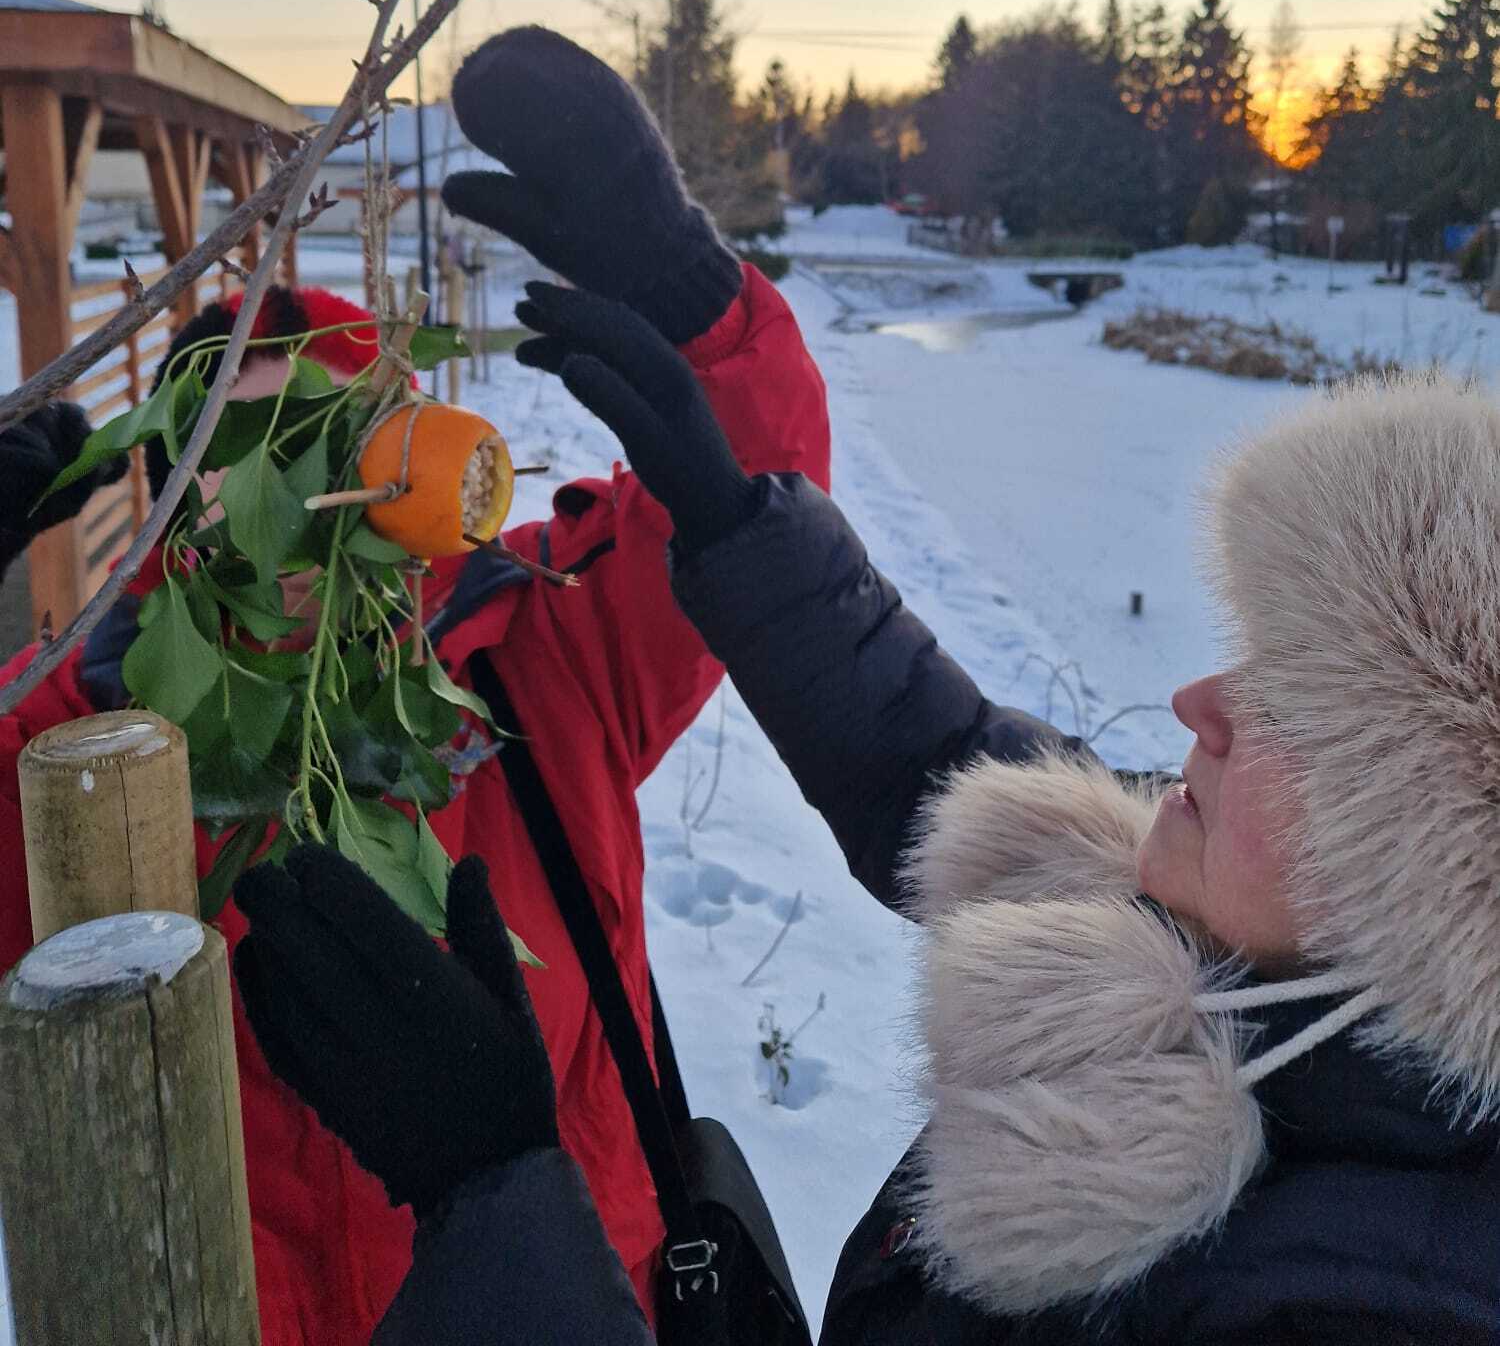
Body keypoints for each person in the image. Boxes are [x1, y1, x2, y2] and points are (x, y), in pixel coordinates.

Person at [238, 297, 1500, 1342]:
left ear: (1430, 881)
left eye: (1300, 706)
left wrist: (496, 1200)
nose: (1195, 702)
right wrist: (732, 495)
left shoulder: (1361, 1304)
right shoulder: (1253, 958)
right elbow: (944, 760)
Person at [0, 29, 830, 1346]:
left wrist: (691, 295)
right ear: (171, 493)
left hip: (573, 1300)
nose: (275, 488)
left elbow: (746, 517)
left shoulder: (535, 649)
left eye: (317, 425)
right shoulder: (83, 747)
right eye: (230, 440)